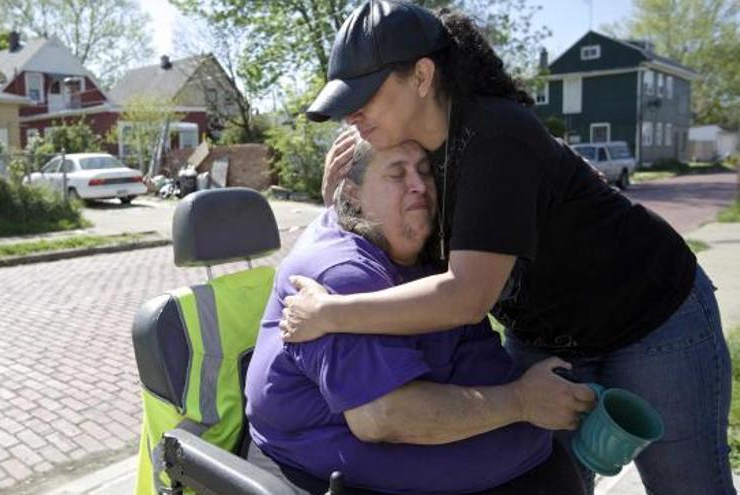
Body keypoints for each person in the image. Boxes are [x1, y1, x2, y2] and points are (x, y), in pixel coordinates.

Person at [279, 2, 734, 494]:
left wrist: (331, 313)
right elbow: (394, 257)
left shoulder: (496, 136)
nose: (352, 114)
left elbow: (466, 296)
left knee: (687, 486)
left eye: (364, 95)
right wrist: (346, 199)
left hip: (652, 317)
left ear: (422, 76)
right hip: (546, 333)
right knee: (544, 481)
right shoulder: (414, 154)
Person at [245, 139, 587, 495]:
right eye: (397, 173)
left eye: (425, 171)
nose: (420, 185)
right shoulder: (341, 273)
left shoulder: (427, 254)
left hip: (523, 464)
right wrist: (523, 401)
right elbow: (384, 417)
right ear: (353, 195)